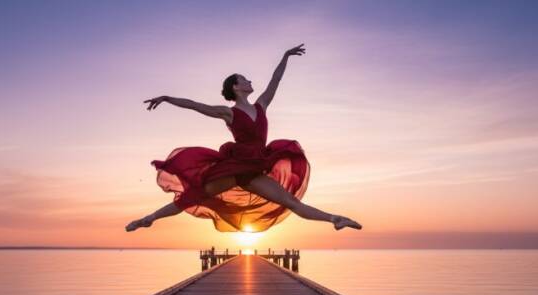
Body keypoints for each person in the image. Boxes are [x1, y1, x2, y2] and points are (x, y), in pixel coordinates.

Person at [126, 43, 362, 233]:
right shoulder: (229, 112)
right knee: (191, 197)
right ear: (236, 87)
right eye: (245, 79)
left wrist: (285, 56)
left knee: (291, 202)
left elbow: (275, 81)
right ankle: (149, 219)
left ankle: (335, 218)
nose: (250, 81)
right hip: (233, 168)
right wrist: (167, 98)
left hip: (255, 169)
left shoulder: (261, 106)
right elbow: (196, 106)